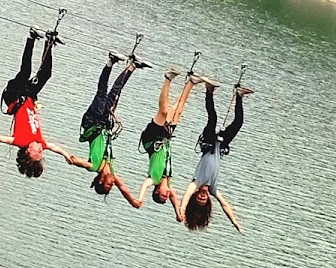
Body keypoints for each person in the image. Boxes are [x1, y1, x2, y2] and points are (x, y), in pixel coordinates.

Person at [63, 47, 149, 206]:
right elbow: (124, 188)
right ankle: (133, 66)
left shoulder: (94, 166)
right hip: (103, 124)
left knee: (102, 93)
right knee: (115, 93)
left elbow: (82, 163)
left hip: (92, 122)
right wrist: (135, 202)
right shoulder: (113, 174)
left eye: (108, 184)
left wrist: (73, 161)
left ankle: (111, 61)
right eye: (111, 186)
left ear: (101, 180)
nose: (112, 183)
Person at [0, 26, 73, 177]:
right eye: (41, 153)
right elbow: (52, 147)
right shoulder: (40, 142)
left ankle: (31, 37)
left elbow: (6, 140)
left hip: (13, 96)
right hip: (29, 97)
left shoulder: (22, 141)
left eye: (36, 152)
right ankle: (49, 42)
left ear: (27, 152)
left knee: (25, 72)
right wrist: (65, 154)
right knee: (45, 74)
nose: (40, 150)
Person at [178, 80, 252, 232]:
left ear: (196, 195)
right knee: (238, 122)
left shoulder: (196, 183)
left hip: (208, 143)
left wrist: (181, 210)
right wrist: (235, 223)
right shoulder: (213, 189)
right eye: (203, 200)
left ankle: (209, 91)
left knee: (213, 118)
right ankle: (239, 95)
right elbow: (225, 205)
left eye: (199, 198)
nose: (202, 197)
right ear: (207, 201)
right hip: (220, 146)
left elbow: (186, 195)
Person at [136, 65, 202, 212]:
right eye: (166, 197)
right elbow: (173, 194)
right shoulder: (168, 180)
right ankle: (191, 82)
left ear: (157, 191)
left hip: (152, 141)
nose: (167, 194)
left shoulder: (154, 179)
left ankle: (167, 78)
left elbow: (145, 185)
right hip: (165, 139)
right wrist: (179, 211)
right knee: (178, 111)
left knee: (164, 111)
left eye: (163, 196)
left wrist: (140, 198)